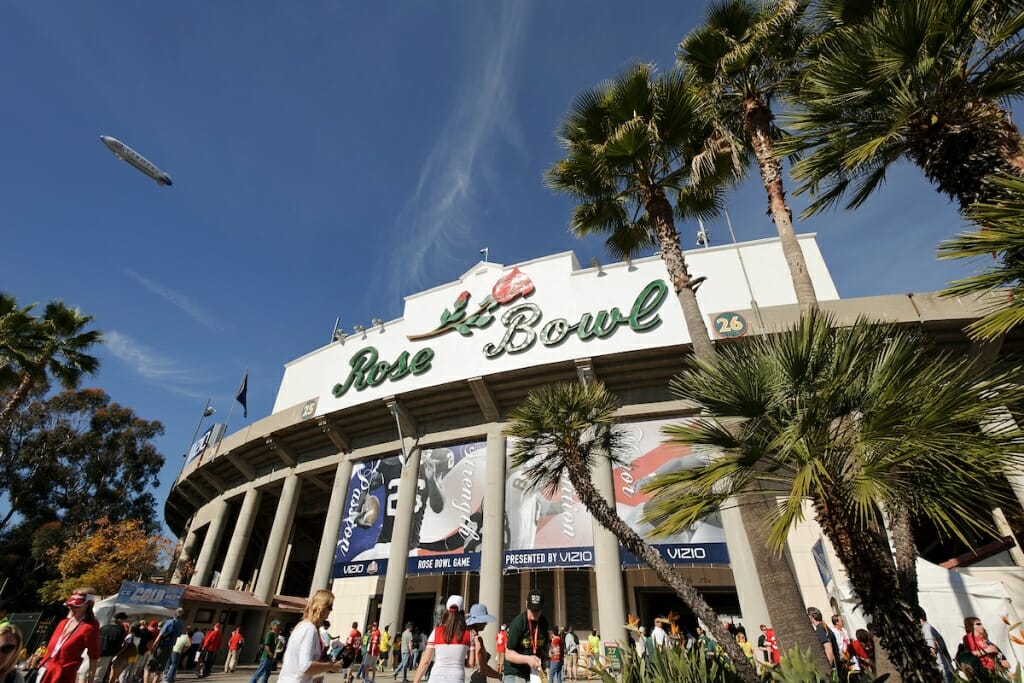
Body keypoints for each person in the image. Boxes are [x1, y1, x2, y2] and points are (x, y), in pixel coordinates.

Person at [276, 590, 344, 683]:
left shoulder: (301, 625)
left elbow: (288, 659)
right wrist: (330, 666)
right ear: (322, 607)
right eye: (330, 607)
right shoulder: (310, 629)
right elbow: (305, 666)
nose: (331, 610)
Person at [38, 589, 101, 683]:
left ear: (88, 604)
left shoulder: (90, 627)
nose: (72, 608)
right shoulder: (62, 623)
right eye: (71, 605)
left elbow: (93, 656)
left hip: (63, 676)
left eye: (77, 605)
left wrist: (90, 680)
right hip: (45, 670)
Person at [412, 596, 472, 683]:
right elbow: (470, 663)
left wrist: (416, 681)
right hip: (456, 679)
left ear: (446, 611)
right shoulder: (468, 634)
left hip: (435, 678)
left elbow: (425, 661)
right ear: (462, 612)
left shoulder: (436, 632)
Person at [503, 590, 548, 683]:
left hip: (533, 672)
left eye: (537, 610)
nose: (534, 613)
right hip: (515, 672)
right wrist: (528, 659)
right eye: (532, 609)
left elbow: (543, 647)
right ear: (526, 604)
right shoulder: (519, 623)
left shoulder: (544, 623)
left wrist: (546, 657)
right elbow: (508, 654)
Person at [915, 608, 952, 683]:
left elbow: (932, 650)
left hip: (940, 669)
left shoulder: (926, 629)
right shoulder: (929, 627)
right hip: (944, 667)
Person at [466, 604, 500, 683]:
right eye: (484, 621)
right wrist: (500, 676)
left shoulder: (465, 634)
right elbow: (483, 668)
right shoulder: (477, 639)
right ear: (478, 622)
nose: (486, 623)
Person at [807, 607, 842, 681]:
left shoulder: (820, 629)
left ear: (810, 616)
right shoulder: (824, 627)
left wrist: (827, 669)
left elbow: (828, 649)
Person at [152, 610, 184, 683]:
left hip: (162, 645)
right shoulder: (181, 624)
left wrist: (154, 645)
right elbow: (179, 635)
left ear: (174, 615)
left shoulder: (169, 622)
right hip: (171, 646)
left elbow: (161, 634)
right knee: (161, 666)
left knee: (152, 665)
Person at [96, 613, 129, 683]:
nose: (124, 622)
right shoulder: (120, 630)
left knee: (89, 673)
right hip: (107, 654)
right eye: (124, 620)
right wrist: (116, 654)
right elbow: (119, 644)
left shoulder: (104, 627)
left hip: (96, 652)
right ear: (120, 620)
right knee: (99, 676)